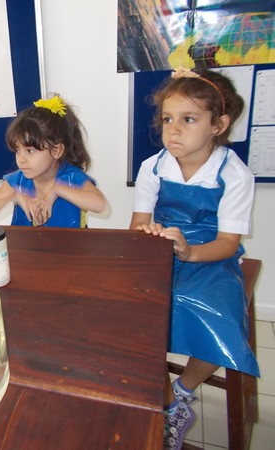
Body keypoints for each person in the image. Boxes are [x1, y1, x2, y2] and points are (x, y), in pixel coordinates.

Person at [129, 68, 260, 450]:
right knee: (131, 314)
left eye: (188, 120)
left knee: (216, 316)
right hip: (162, 249)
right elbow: (137, 224)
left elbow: (227, 240)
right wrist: (149, 234)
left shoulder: (233, 173)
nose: (174, 131)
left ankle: (182, 392)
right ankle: (164, 400)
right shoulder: (153, 166)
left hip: (211, 253)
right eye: (168, 119)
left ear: (218, 124)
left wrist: (190, 252)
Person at [0, 95, 106, 227]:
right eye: (17, 151)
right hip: (27, 246)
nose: (21, 159)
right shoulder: (17, 180)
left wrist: (58, 190)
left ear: (57, 151)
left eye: (30, 151)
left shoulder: (71, 177)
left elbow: (100, 205)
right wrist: (14, 197)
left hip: (69, 246)